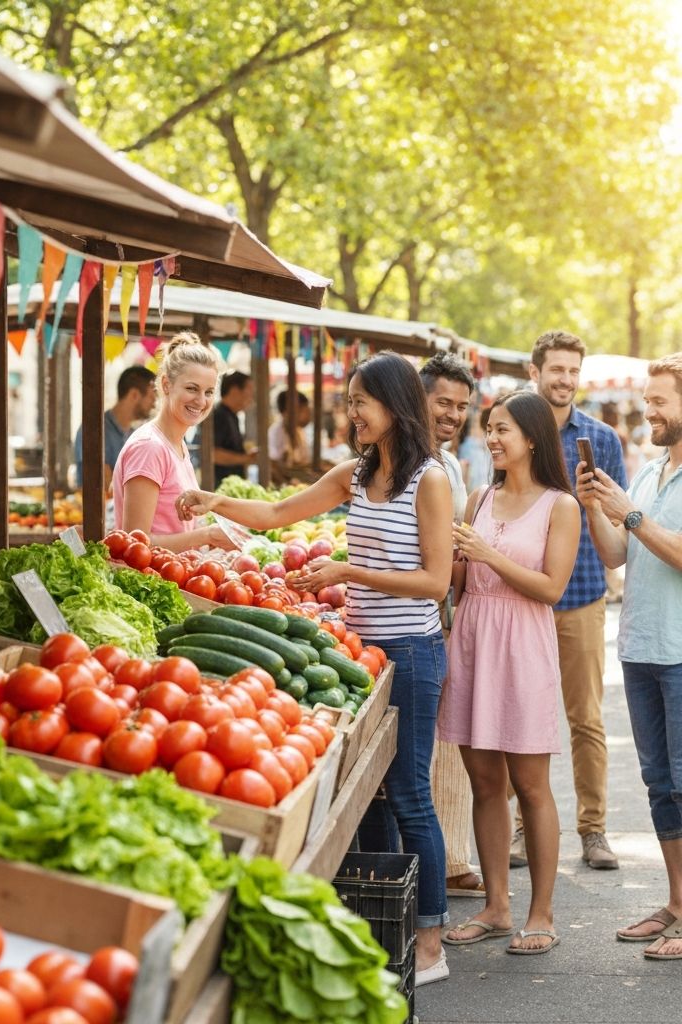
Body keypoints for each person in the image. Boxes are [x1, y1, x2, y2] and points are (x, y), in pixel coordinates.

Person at [177, 351, 453, 985]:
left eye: (360, 402)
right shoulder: (354, 474)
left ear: (394, 405)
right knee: (376, 796)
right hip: (369, 655)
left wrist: (348, 571)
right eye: (349, 401)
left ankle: (431, 942)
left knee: (410, 795)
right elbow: (278, 515)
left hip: (411, 652)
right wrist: (214, 499)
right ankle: (392, 929)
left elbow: (436, 581)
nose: (349, 412)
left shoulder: (429, 480)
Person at [439, 390, 581, 955]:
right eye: (489, 429)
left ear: (531, 438)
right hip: (473, 641)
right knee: (484, 782)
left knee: (530, 785)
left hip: (523, 647)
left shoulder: (560, 506)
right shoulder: (478, 498)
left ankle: (540, 912)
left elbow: (552, 589)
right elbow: (458, 579)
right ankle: (497, 907)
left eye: (502, 430)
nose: (492, 438)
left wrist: (488, 555)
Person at [509, 330, 627, 871]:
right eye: (556, 369)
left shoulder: (601, 440)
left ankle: (594, 829)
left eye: (573, 371)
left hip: (580, 594)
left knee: (585, 720)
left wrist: (595, 503)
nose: (565, 380)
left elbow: (620, 519)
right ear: (536, 372)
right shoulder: (513, 431)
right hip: (524, 598)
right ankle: (518, 829)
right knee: (519, 715)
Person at [578, 353, 682, 959]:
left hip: (678, 653)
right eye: (649, 400)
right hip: (640, 649)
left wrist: (632, 514)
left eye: (661, 401)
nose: (651, 411)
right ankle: (675, 902)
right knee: (660, 785)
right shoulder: (647, 472)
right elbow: (617, 554)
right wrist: (597, 505)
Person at [420, 353, 483, 900]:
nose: (453, 414)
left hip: (447, 608)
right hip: (421, 608)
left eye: (462, 407)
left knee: (449, 739)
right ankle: (443, 858)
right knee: (436, 743)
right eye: (444, 402)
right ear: (420, 398)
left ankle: (452, 854)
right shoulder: (403, 460)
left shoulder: (452, 464)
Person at [112, 334, 231, 552]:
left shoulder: (176, 444)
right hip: (151, 584)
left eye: (209, 392)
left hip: (177, 579)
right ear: (166, 385)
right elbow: (134, 544)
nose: (201, 401)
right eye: (192, 389)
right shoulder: (149, 447)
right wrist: (206, 536)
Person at [74, 365, 157, 491]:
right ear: (134, 395)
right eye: (151, 397)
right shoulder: (95, 429)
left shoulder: (135, 434)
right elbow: (105, 484)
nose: (154, 404)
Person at [213, 371, 257, 486]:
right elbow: (214, 454)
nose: (251, 396)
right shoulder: (219, 415)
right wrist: (246, 458)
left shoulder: (233, 415)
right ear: (234, 390)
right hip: (221, 486)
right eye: (249, 391)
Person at [268, 390, 312, 480]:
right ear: (287, 412)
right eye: (304, 411)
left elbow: (302, 461)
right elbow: (274, 466)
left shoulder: (299, 431)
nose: (308, 415)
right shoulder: (276, 433)